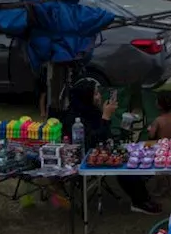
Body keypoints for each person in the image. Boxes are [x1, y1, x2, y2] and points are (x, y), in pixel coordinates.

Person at [65, 77, 162, 215]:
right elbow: (90, 141)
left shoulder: (92, 110)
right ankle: (139, 201)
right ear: (86, 96)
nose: (99, 96)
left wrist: (110, 120)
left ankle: (142, 197)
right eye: (96, 94)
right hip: (85, 156)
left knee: (131, 156)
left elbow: (105, 135)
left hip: (102, 150)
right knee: (124, 166)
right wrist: (105, 117)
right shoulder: (74, 118)